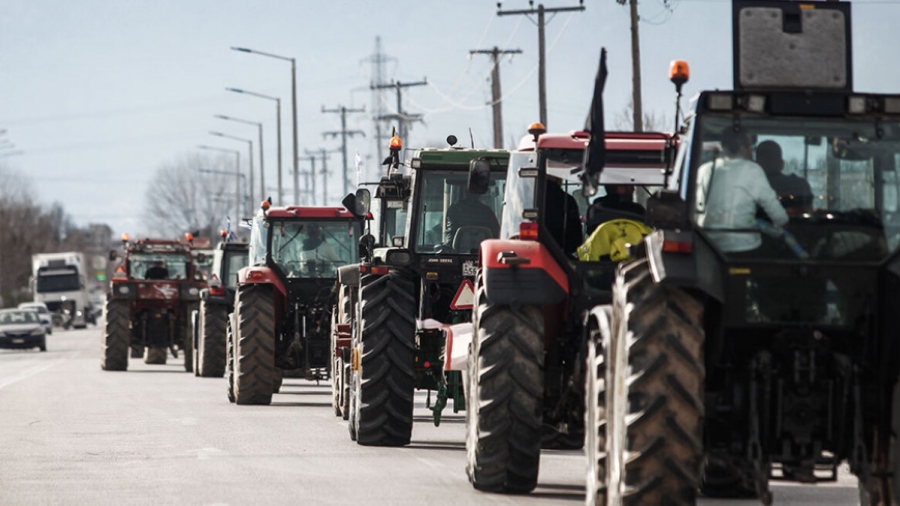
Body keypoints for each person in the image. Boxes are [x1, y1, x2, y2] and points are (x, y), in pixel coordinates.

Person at [696, 129, 788, 254]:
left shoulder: (705, 170)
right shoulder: (752, 170)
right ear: (743, 147)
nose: (752, 151)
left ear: (723, 146)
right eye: (750, 146)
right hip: (744, 245)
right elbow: (771, 205)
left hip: (710, 244)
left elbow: (697, 207)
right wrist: (784, 222)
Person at [755, 140, 813, 214]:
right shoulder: (799, 185)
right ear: (781, 164)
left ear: (757, 164)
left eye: (771, 160)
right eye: (767, 160)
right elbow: (808, 213)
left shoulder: (747, 187)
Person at [545, 176, 583, 257]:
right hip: (562, 255)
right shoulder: (567, 200)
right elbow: (576, 238)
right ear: (558, 179)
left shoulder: (528, 199)